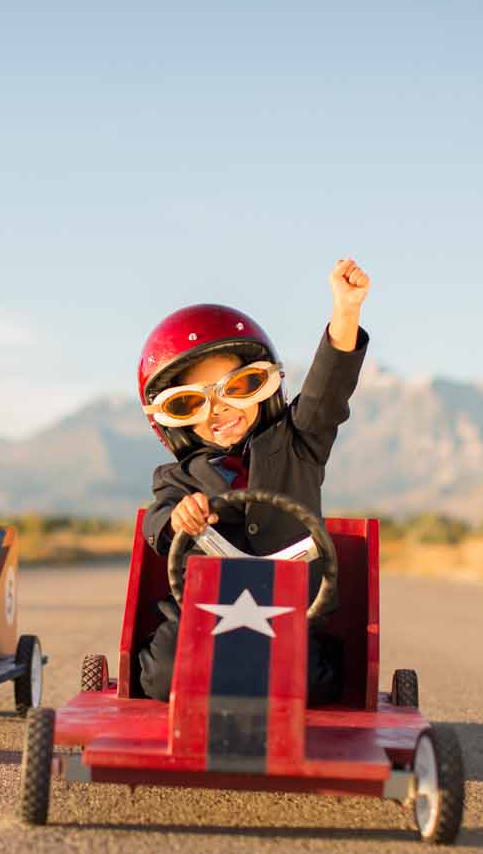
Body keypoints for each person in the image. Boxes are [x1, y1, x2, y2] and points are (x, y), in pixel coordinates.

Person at [135, 258, 371, 703]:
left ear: (264, 384)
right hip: (200, 617)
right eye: (192, 403)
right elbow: (157, 520)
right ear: (173, 420)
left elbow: (327, 392)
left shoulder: (300, 442)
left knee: (312, 685)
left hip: (291, 615)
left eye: (236, 388)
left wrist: (346, 312)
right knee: (161, 676)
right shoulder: (177, 478)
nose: (220, 410)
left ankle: (303, 672)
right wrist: (177, 519)